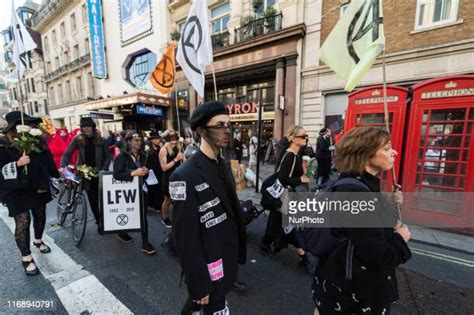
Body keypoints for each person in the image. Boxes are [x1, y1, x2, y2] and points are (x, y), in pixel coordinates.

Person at [312, 126, 411, 314]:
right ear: (366, 154)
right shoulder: (356, 193)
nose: (395, 152)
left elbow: (364, 227)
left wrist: (389, 202)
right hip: (355, 291)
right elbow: (378, 255)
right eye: (387, 148)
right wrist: (401, 238)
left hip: (334, 279)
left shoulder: (355, 184)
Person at [171, 101, 246, 314]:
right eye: (219, 125)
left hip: (227, 258)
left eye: (228, 125)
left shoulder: (223, 164)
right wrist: (198, 282)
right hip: (207, 264)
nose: (226, 131)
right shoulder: (183, 175)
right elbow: (184, 237)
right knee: (207, 303)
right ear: (202, 131)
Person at [0, 111, 59, 276]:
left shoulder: (37, 141)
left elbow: (47, 160)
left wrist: (56, 176)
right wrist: (17, 163)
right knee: (23, 220)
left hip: (37, 184)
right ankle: (26, 257)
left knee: (40, 214)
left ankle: (38, 240)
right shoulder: (2, 144)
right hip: (14, 189)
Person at [259, 125, 313, 273]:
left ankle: (265, 243)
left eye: (306, 136)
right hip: (284, 197)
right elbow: (283, 179)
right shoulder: (289, 155)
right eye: (303, 136)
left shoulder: (296, 154)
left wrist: (305, 168)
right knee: (291, 225)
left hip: (285, 197)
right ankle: (303, 257)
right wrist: (300, 180)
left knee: (276, 222)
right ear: (293, 138)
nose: (305, 138)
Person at [61, 117, 112, 234]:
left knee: (104, 200)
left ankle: (107, 221)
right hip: (85, 174)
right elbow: (67, 153)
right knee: (93, 200)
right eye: (84, 126)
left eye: (88, 126)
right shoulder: (78, 139)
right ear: (81, 128)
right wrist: (63, 166)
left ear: (93, 127)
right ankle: (99, 221)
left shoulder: (102, 140)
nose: (86, 128)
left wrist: (103, 169)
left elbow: (108, 156)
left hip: (100, 174)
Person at [113, 131, 156, 255]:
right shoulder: (122, 157)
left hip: (142, 190)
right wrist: (133, 173)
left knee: (142, 215)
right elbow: (117, 175)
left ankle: (145, 242)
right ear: (129, 142)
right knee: (128, 212)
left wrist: (145, 172)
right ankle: (122, 232)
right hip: (127, 193)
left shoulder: (143, 156)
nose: (139, 143)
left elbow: (145, 172)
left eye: (140, 140)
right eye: (136, 140)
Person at [159, 129, 184, 228]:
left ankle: (179, 218)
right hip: (168, 178)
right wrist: (176, 159)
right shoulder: (163, 150)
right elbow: (164, 168)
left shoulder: (179, 147)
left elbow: (184, 162)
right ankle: (165, 218)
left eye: (175, 137)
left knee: (179, 199)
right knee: (167, 200)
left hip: (178, 177)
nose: (173, 139)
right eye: (171, 137)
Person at [146, 131, 164, 212]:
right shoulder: (147, 147)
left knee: (160, 187)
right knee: (151, 187)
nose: (158, 140)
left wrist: (162, 147)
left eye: (158, 138)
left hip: (159, 169)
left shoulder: (161, 147)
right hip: (151, 170)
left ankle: (159, 205)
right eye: (156, 139)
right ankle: (150, 203)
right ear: (151, 140)